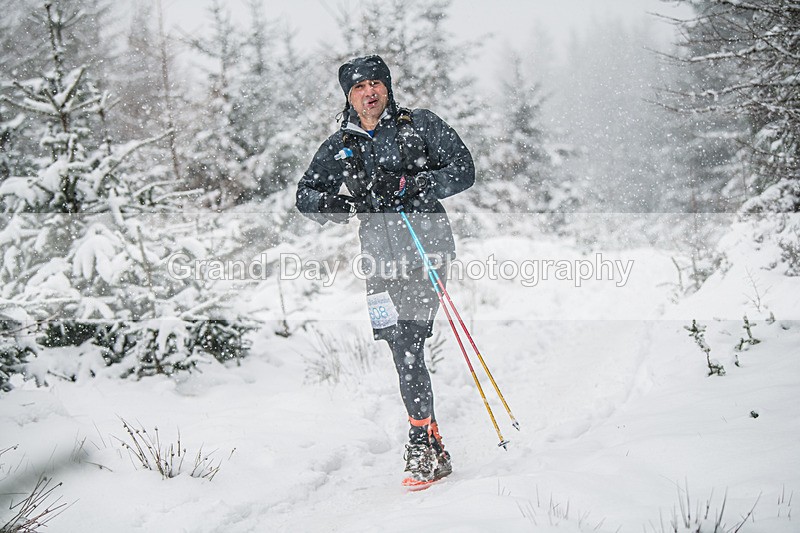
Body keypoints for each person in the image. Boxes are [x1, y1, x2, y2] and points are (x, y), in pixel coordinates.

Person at [295, 55, 475, 486]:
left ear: (387, 88)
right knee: (397, 347)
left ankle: (417, 443)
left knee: (409, 339)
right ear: (349, 96)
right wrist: (343, 205)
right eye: (359, 87)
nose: (369, 92)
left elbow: (463, 169)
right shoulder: (341, 144)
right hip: (377, 260)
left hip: (426, 249)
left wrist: (417, 185)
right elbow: (305, 195)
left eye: (375, 83)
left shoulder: (420, 125)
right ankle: (432, 441)